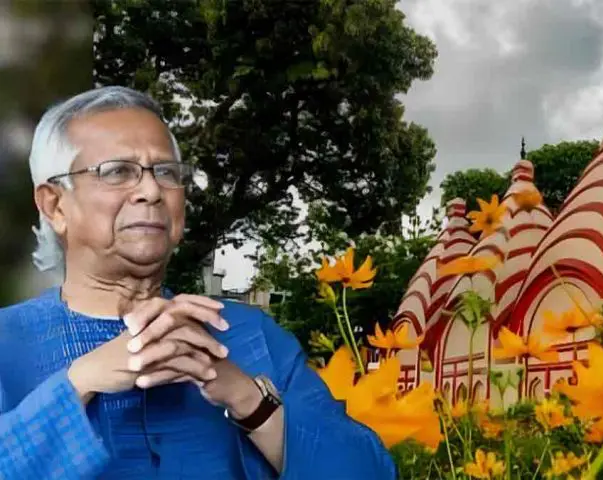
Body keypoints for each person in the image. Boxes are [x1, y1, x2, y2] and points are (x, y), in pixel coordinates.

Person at [0, 86, 396, 479]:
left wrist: (248, 399)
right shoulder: (7, 343)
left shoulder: (249, 336)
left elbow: (371, 472)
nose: (152, 191)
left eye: (167, 172)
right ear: (55, 204)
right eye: (118, 171)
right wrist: (80, 383)